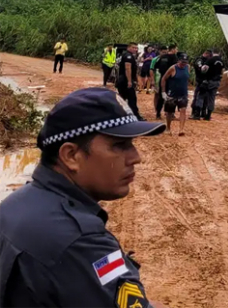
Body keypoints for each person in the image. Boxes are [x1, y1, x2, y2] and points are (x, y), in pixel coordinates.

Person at [0, 87, 166, 307]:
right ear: (71, 156)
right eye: (120, 145)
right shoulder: (81, 241)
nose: (136, 157)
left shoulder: (15, 204)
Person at [161, 52, 191, 136]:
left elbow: (186, 78)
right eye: (182, 62)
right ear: (178, 61)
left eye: (185, 62)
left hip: (183, 94)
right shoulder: (173, 68)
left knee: (183, 110)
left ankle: (181, 129)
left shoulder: (188, 67)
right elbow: (163, 79)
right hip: (172, 94)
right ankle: (168, 128)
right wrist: (163, 92)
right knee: (169, 112)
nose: (183, 64)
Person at [115, 42, 143, 120]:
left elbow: (134, 70)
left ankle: (120, 115)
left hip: (124, 80)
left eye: (136, 48)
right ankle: (135, 116)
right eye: (133, 47)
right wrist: (129, 81)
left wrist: (136, 80)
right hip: (125, 80)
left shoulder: (130, 56)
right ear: (128, 48)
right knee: (131, 98)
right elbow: (128, 68)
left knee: (123, 98)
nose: (135, 49)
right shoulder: (128, 56)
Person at [150, 44, 178, 120]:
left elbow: (156, 67)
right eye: (176, 49)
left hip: (162, 79)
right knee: (171, 97)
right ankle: (170, 114)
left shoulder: (162, 57)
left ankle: (158, 113)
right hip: (171, 80)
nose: (177, 51)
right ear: (173, 50)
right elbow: (175, 69)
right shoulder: (174, 57)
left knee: (161, 96)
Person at [196, 48, 224, 121]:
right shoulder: (221, 61)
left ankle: (197, 114)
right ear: (219, 52)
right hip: (216, 82)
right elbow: (222, 72)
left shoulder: (210, 60)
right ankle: (208, 115)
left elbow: (204, 70)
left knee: (201, 96)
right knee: (212, 98)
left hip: (208, 81)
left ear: (213, 52)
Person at [191, 50, 211, 120]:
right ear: (206, 53)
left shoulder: (209, 60)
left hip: (207, 82)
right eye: (209, 55)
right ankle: (195, 113)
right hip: (200, 81)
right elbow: (201, 69)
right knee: (197, 97)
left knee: (206, 98)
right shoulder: (199, 60)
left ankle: (203, 113)